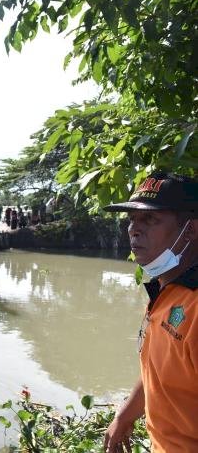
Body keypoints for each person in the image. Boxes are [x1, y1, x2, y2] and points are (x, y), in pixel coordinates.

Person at [103, 172, 197, 453]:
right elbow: (161, 369)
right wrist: (126, 413)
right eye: (132, 219)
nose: (133, 229)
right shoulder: (166, 288)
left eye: (150, 220)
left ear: (190, 230)